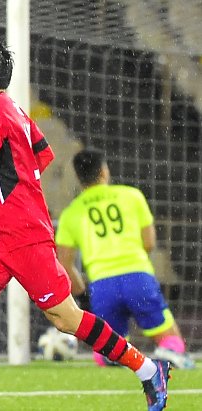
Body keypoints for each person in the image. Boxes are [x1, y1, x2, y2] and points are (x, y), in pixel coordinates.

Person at [0, 41, 170, 411]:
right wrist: (19, 186)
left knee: (67, 319)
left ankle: (146, 369)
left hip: (24, 237)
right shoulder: (13, 109)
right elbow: (43, 152)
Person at [56, 148, 195, 370]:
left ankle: (112, 357)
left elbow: (63, 264)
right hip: (137, 277)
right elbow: (149, 243)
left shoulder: (71, 213)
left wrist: (83, 296)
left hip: (102, 286)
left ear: (79, 178)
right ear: (104, 171)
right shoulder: (131, 196)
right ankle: (167, 355)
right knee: (171, 340)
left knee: (108, 348)